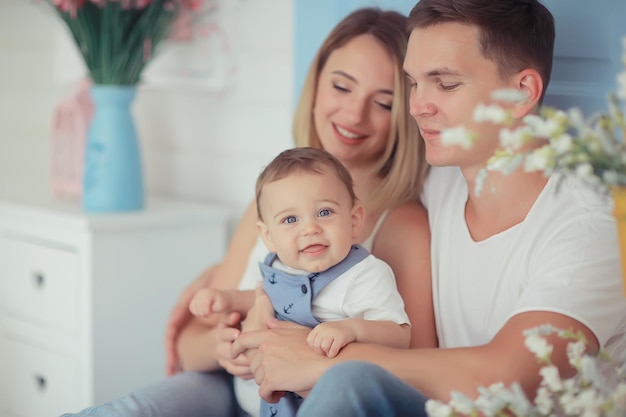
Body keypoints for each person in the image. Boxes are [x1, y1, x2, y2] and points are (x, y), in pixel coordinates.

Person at [230, 1, 626, 416]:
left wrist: (323, 359)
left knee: (350, 381)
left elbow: (513, 378)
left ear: (522, 92)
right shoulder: (442, 178)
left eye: (446, 84)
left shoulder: (590, 228)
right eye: (414, 84)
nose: (417, 105)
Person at [59, 7, 436, 417]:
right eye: (341, 87)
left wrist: (317, 349)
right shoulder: (271, 202)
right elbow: (190, 342)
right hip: (230, 391)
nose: (353, 114)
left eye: (383, 103)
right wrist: (224, 347)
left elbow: (414, 372)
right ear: (316, 86)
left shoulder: (402, 224)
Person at [190, 147, 411, 417]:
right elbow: (265, 296)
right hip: (254, 404)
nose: (310, 228)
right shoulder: (278, 265)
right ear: (267, 236)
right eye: (290, 219)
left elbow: (400, 336)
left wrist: (351, 329)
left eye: (325, 212)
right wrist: (226, 299)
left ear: (354, 221)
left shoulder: (364, 275)